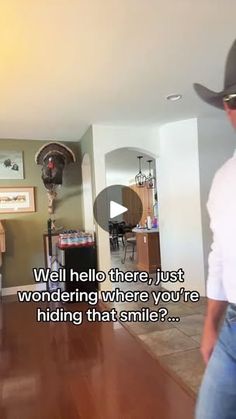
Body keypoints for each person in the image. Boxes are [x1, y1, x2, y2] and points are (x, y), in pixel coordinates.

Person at [193, 39, 236, 419]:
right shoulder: (223, 179)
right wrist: (211, 323)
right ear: (226, 108)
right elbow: (220, 254)